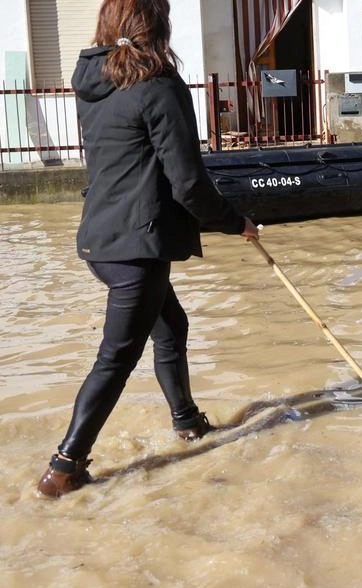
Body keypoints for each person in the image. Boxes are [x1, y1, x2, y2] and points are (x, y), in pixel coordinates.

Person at [36, 0, 259, 498]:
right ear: (158, 28)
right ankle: (64, 468)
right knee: (116, 358)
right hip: (137, 249)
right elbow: (188, 184)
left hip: (101, 241)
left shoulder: (94, 83)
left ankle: (187, 421)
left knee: (171, 325)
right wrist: (234, 221)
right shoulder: (159, 86)